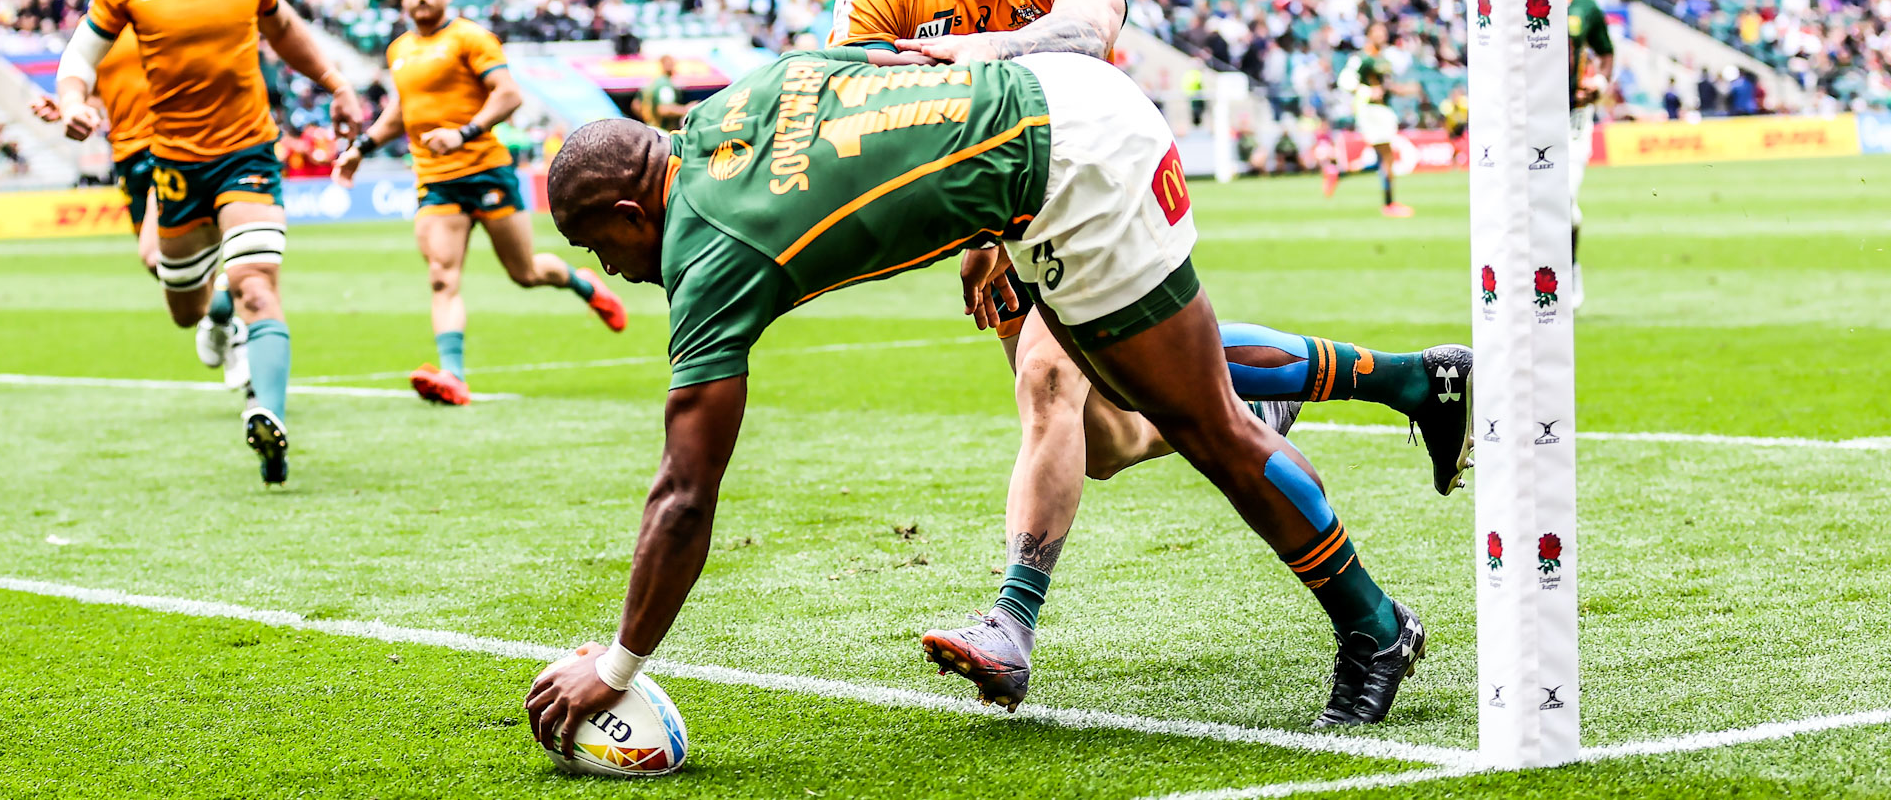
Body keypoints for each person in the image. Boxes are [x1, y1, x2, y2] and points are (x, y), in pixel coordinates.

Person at [523, 47, 1445, 757]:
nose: (607, 266)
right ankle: (1411, 382)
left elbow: (684, 494)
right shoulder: (737, 102)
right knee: (1123, 400)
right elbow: (898, 77)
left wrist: (617, 669)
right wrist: (981, 219)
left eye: (595, 243)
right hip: (1064, 104)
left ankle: (1375, 626)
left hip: (1074, 172)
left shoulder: (708, 255)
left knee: (1197, 425)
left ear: (632, 212)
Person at [828, 0, 1470, 710]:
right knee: (1110, 436)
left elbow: (1086, 31)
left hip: (1105, 179)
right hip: (1000, 214)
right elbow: (858, 110)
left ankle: (1011, 624)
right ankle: (1389, 380)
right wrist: (969, 234)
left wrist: (960, 62)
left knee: (1052, 382)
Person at [55, 0, 364, 485]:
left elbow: (281, 29)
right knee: (186, 306)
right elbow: (80, 57)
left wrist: (336, 82)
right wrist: (72, 101)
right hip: (172, 168)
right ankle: (216, 317)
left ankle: (268, 416)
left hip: (248, 152)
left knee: (258, 282)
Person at [333, 0, 627, 406]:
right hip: (436, 181)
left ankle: (582, 283)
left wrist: (464, 132)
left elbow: (509, 94)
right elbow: (402, 110)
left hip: (487, 170)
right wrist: (361, 148)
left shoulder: (470, 37)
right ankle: (454, 376)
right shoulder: (399, 51)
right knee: (441, 277)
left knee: (525, 272)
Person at [30, 0, 159, 274]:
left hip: (174, 146)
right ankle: (223, 312)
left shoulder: (162, 9)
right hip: (128, 154)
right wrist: (69, 106)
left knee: (157, 254)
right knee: (166, 272)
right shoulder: (94, 30)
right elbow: (104, 93)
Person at [1326, 24, 1411, 216]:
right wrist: (1367, 91)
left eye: (1383, 32)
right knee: (1387, 157)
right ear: (1369, 35)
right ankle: (1389, 204)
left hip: (1383, 109)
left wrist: (1400, 89)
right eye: (1377, 32)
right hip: (1371, 111)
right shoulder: (1361, 57)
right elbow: (1345, 80)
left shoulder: (1383, 58)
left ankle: (1338, 173)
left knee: (1382, 159)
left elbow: (1384, 85)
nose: (1381, 35)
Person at [1566, 0, 1614, 312]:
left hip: (1573, 115)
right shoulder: (1512, 0)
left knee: (1564, 195)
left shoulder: (1584, 7)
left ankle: (1568, 270)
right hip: (1529, 114)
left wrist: (1601, 83)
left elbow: (1606, 52)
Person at [632, 55, 685, 130]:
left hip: (651, 128)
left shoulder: (651, 83)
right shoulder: (664, 83)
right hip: (663, 130)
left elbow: (636, 105)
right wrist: (686, 109)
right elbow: (664, 109)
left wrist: (648, 118)